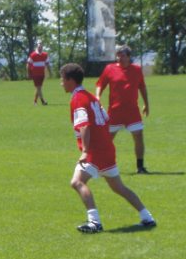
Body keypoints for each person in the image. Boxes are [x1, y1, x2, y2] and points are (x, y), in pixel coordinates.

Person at [60, 63, 156, 233]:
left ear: (70, 80)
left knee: (77, 182)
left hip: (94, 151)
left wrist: (85, 151)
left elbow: (84, 126)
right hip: (106, 149)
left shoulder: (78, 99)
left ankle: (94, 222)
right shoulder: (91, 97)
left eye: (63, 79)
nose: (61, 83)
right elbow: (105, 119)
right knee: (118, 187)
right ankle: (147, 217)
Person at [95, 45, 150, 174]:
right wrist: (98, 96)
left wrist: (146, 104)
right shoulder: (110, 69)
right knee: (107, 140)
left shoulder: (136, 70)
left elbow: (142, 87)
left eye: (122, 55)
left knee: (138, 137)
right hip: (115, 111)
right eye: (118, 55)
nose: (119, 58)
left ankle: (140, 167)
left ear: (129, 57)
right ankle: (99, 165)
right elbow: (100, 84)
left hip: (132, 111)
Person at [27, 41, 52, 105]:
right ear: (37, 47)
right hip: (35, 74)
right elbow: (28, 65)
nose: (40, 48)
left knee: (39, 88)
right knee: (39, 87)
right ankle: (43, 101)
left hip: (42, 74)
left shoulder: (45, 55)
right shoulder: (33, 55)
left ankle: (35, 102)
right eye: (39, 47)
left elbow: (47, 64)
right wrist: (29, 73)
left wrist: (49, 72)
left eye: (41, 47)